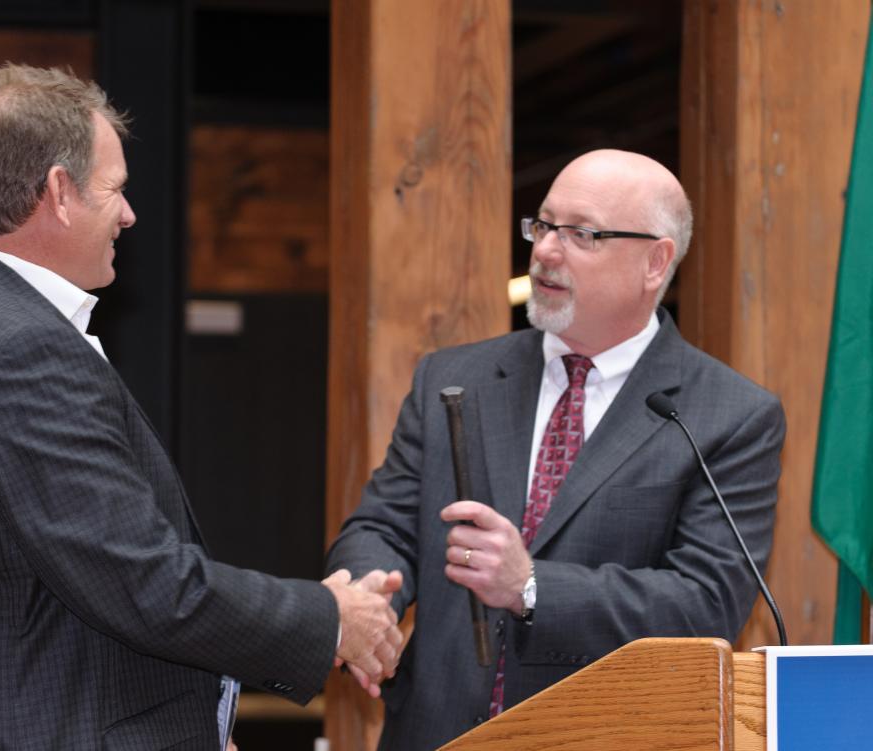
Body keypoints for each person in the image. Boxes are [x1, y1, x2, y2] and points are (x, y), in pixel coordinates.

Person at [0, 63, 402, 750]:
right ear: (60, 193)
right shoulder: (19, 350)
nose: (128, 213)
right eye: (115, 189)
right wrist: (329, 617)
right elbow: (147, 585)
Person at [326, 149, 787, 750]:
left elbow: (705, 605)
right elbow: (383, 524)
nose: (545, 250)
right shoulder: (451, 378)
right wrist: (368, 598)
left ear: (656, 261)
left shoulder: (727, 416)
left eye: (582, 234)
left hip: (599, 737)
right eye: (542, 225)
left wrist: (533, 585)